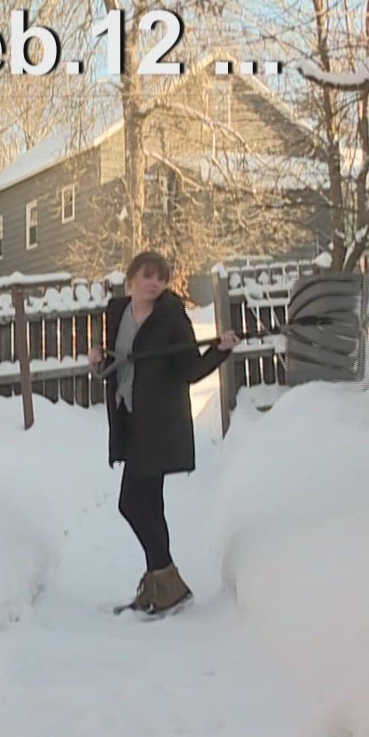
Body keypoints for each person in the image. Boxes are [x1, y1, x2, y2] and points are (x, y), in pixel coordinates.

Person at [87, 250, 238, 617]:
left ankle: (167, 582)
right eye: (148, 275)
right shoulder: (117, 312)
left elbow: (189, 370)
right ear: (132, 277)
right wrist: (98, 360)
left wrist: (219, 350)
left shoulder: (172, 317)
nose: (154, 283)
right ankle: (160, 587)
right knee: (149, 504)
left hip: (160, 423)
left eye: (161, 277)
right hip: (129, 418)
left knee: (131, 503)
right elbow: (117, 364)